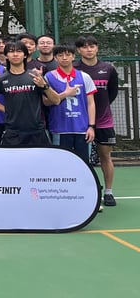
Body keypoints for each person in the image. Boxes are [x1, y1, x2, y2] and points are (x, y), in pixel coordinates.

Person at [75, 35, 120, 206]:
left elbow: (112, 93)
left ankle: (108, 192)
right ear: (79, 50)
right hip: (80, 122)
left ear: (97, 48)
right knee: (81, 158)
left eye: (92, 46)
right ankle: (85, 192)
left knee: (105, 156)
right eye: (84, 47)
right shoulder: (74, 68)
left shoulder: (107, 68)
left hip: (103, 121)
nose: (89, 49)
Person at [0, 40, 53, 146]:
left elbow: (55, 100)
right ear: (6, 56)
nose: (15, 54)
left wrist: (45, 86)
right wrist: (5, 109)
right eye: (11, 51)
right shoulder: (1, 79)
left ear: (25, 55)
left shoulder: (35, 76)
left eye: (19, 51)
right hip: (13, 132)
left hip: (36, 131)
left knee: (39, 162)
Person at [44, 44, 96, 163]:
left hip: (82, 129)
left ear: (73, 56)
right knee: (61, 163)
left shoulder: (84, 77)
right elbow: (45, 102)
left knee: (84, 164)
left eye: (68, 55)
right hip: (60, 128)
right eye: (60, 55)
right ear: (55, 58)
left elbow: (91, 103)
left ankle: (84, 183)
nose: (64, 58)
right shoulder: (49, 77)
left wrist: (91, 126)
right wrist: (65, 93)